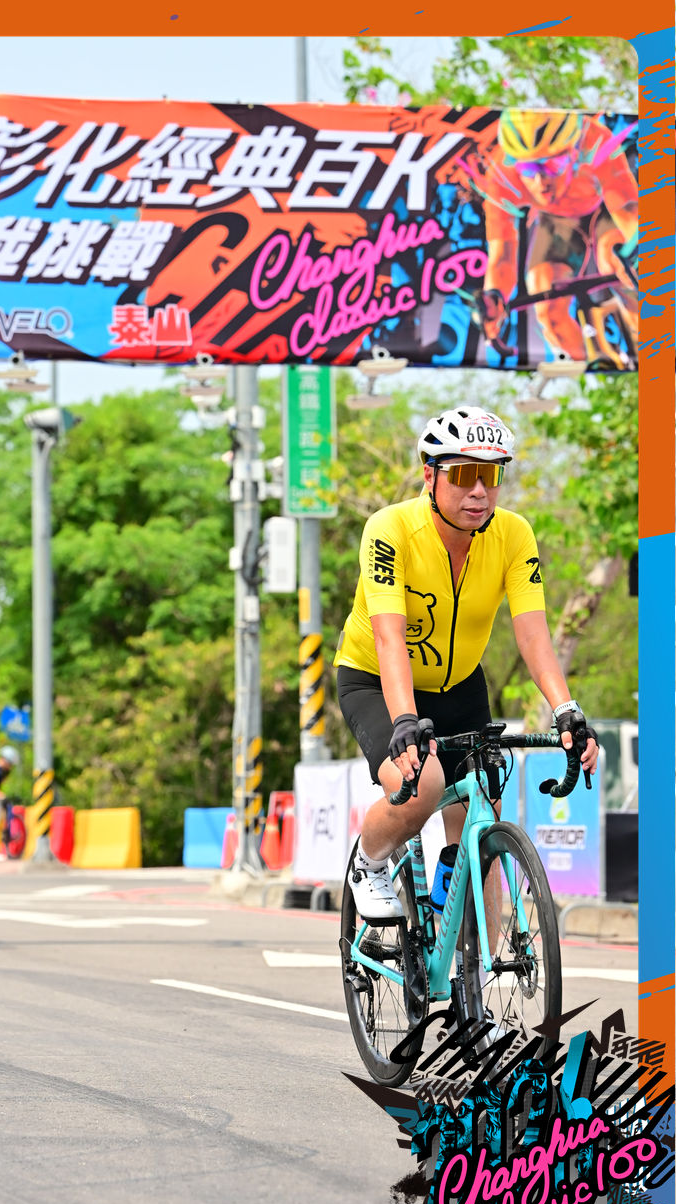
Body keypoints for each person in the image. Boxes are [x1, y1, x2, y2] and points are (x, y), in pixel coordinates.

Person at [334, 404, 599, 930]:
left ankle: (475, 970)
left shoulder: (514, 534)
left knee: (482, 822)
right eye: (463, 475)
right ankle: (369, 861)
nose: (479, 491)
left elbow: (533, 634)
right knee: (423, 785)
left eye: (491, 476)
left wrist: (566, 709)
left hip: (459, 686)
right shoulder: (389, 529)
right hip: (378, 681)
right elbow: (389, 637)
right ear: (429, 475)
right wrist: (405, 720)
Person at [471, 109, 638, 362]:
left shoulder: (595, 140)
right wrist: (494, 297)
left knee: (618, 263)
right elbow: (502, 254)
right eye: (527, 168)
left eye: (552, 165)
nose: (540, 182)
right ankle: (590, 371)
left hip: (604, 208)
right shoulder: (501, 172)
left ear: (574, 152)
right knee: (548, 311)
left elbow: (627, 209)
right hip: (556, 222)